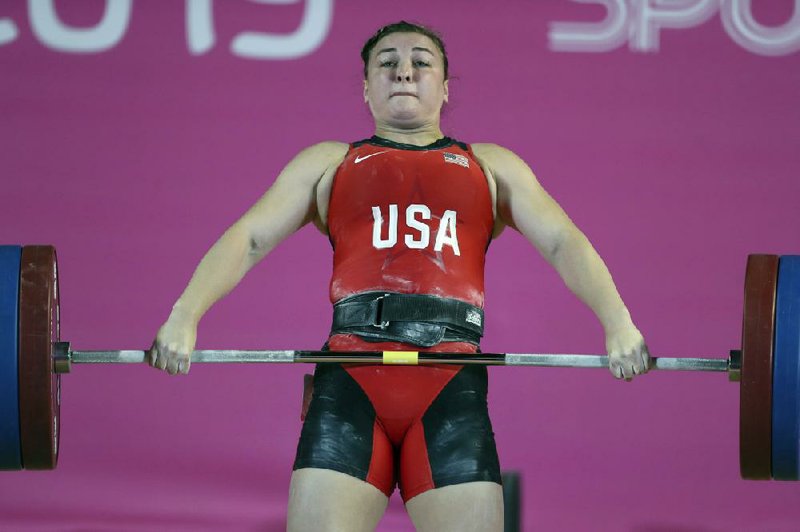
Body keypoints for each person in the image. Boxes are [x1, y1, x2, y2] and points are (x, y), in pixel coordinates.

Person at [149, 21, 650, 532]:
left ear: (446, 87)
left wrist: (618, 323)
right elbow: (250, 237)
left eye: (421, 62)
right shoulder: (329, 162)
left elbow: (563, 242)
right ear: (367, 88)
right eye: (386, 63)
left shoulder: (491, 166)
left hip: (450, 383)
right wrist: (184, 315)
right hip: (351, 378)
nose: (404, 71)